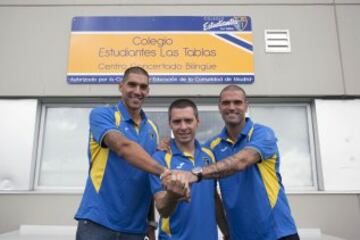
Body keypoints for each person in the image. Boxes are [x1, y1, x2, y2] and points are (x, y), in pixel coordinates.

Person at [162, 85, 299, 240]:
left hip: (277, 232)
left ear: (246, 106)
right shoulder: (212, 147)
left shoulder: (262, 134)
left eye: (237, 102)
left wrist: (196, 174)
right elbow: (193, 153)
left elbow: (241, 161)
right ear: (219, 107)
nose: (231, 107)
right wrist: (168, 144)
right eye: (226, 103)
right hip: (239, 235)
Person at [75, 66, 173, 240]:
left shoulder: (153, 129)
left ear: (148, 91)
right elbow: (123, 147)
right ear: (121, 86)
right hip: (98, 222)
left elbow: (148, 178)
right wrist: (164, 171)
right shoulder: (102, 115)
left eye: (143, 87)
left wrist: (150, 222)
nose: (137, 91)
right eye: (132, 85)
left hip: (135, 229)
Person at [150, 99, 229, 240]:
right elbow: (162, 207)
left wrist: (226, 232)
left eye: (188, 120)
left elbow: (214, 197)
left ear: (197, 121)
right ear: (170, 124)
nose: (183, 126)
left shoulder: (209, 154)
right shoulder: (160, 158)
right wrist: (172, 196)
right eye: (177, 121)